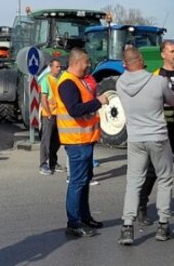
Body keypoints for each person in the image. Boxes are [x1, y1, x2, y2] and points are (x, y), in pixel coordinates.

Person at [117, 45, 174, 245]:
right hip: (158, 137)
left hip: (135, 139)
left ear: (125, 64)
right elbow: (173, 101)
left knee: (134, 182)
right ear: (141, 59)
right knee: (165, 179)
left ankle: (127, 227)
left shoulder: (119, 83)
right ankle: (163, 225)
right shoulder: (158, 81)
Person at [57, 47, 111, 238]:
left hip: (85, 138)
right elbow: (74, 109)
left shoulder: (78, 81)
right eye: (86, 62)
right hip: (76, 140)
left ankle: (85, 217)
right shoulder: (68, 83)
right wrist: (99, 101)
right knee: (77, 182)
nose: (88, 65)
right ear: (77, 62)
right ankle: (74, 223)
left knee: (84, 180)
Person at [140, 40, 174, 223]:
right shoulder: (156, 76)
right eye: (172, 51)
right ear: (163, 54)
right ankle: (141, 206)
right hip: (162, 128)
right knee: (154, 169)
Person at [38, 56, 64, 174]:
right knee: (46, 140)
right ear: (51, 67)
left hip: (58, 115)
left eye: (60, 67)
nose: (59, 69)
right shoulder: (46, 80)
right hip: (49, 115)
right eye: (57, 67)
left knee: (56, 140)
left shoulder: (58, 81)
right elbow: (43, 98)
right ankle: (43, 164)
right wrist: (48, 113)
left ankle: (53, 162)